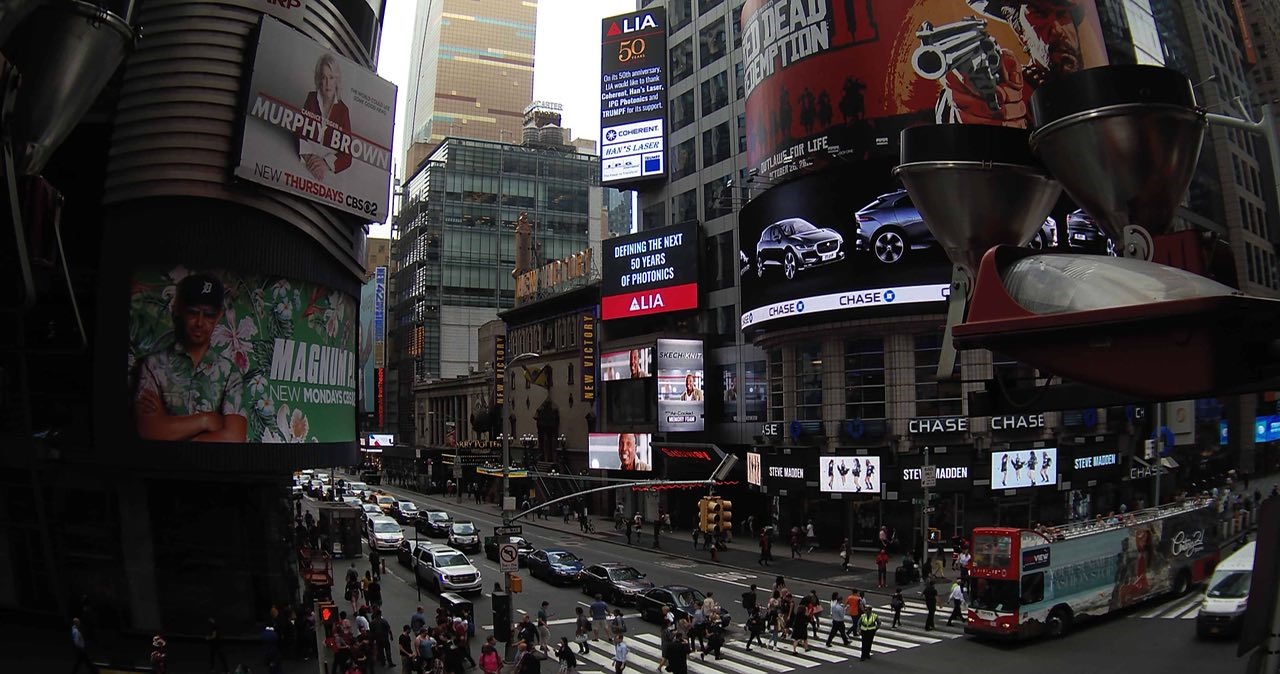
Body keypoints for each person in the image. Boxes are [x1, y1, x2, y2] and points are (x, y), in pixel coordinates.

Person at [930, 0, 1092, 126]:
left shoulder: (1090, 88)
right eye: (1039, 14)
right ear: (1020, 32)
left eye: (1061, 14)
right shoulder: (1011, 85)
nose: (1057, 29)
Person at [134, 274, 247, 442]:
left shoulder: (229, 372)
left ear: (218, 316)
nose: (200, 322)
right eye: (193, 312)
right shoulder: (154, 365)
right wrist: (206, 420)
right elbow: (148, 429)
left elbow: (235, 437)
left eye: (208, 314)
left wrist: (173, 433)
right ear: (180, 310)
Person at [298, 53, 353, 180]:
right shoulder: (311, 99)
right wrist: (310, 158)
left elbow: (347, 156)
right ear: (319, 80)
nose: (327, 83)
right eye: (324, 77)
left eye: (331, 77)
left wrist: (325, 163)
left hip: (327, 179)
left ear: (337, 81)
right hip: (304, 169)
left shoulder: (343, 111)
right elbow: (299, 132)